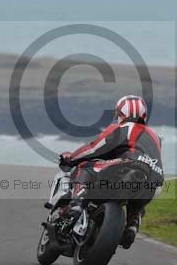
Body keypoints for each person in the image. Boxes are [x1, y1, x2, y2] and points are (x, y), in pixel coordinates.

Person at [59, 95, 164, 249]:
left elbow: (94, 148)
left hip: (127, 166)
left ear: (122, 114)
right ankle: (132, 225)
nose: (117, 117)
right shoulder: (156, 137)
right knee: (137, 203)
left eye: (118, 114)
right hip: (155, 180)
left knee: (85, 166)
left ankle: (76, 206)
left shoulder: (121, 128)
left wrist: (71, 158)